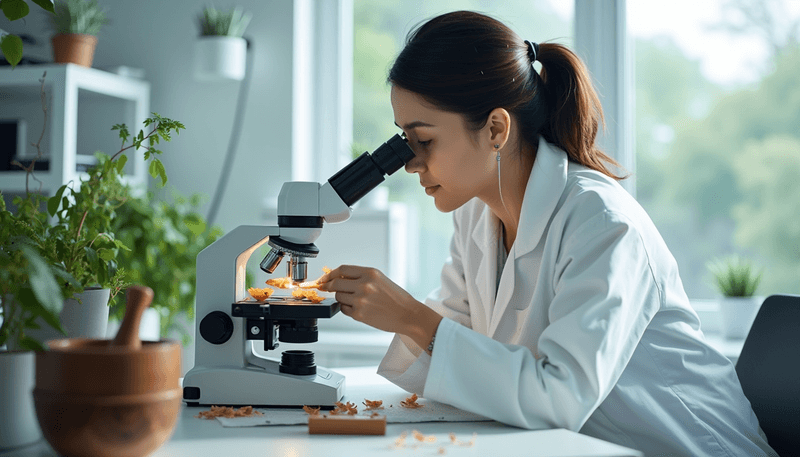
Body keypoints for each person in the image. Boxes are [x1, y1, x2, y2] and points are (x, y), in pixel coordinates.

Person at [318, 10, 776, 457]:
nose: (411, 163)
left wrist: (412, 317)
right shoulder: (476, 216)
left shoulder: (602, 223)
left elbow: (561, 398)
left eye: (424, 140)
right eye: (403, 141)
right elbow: (461, 342)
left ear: (496, 129)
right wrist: (396, 313)